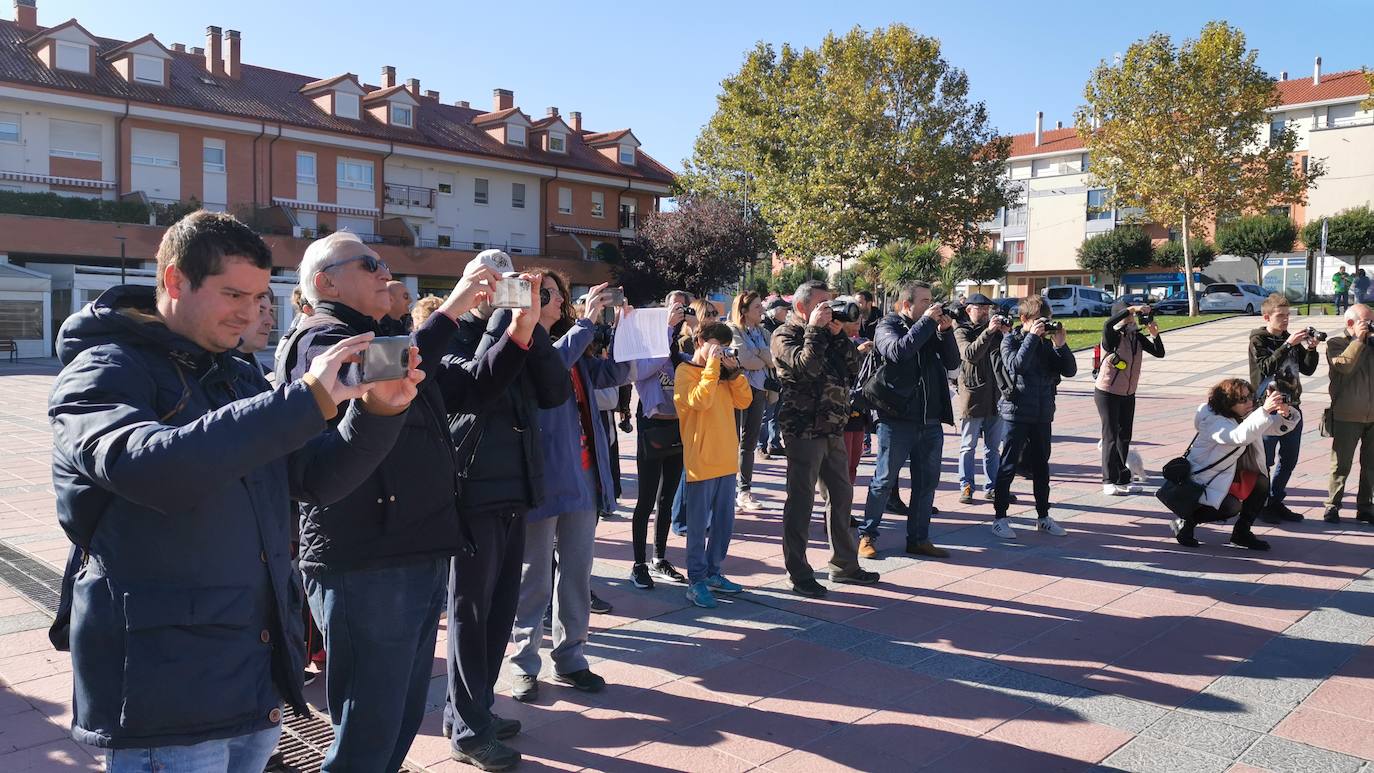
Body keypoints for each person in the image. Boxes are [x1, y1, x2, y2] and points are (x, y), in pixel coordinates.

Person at [49, 211, 421, 770]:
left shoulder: (237, 373)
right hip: (164, 690)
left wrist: (379, 414)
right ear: (175, 282)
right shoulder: (103, 370)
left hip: (251, 674)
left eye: (257, 296)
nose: (249, 313)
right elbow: (154, 470)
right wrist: (303, 401)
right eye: (232, 295)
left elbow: (315, 478)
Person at [277, 236, 538, 772]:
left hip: (412, 545)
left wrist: (520, 331)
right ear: (324, 283)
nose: (385, 273)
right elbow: (371, 372)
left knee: (396, 720)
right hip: (365, 557)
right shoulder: (317, 336)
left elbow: (472, 389)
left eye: (385, 264)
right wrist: (453, 308)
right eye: (369, 265)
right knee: (368, 728)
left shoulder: (389, 336)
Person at [507, 276, 640, 707]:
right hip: (544, 478)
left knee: (578, 573)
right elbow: (550, 367)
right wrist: (585, 325)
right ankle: (523, 665)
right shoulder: (521, 344)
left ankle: (571, 657)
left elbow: (618, 372)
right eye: (549, 291)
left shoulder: (573, 342)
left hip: (584, 475)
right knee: (534, 576)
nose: (560, 298)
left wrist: (629, 329)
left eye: (561, 293)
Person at [771, 280, 879, 597]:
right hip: (803, 429)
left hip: (833, 426)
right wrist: (816, 332)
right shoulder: (785, 335)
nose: (828, 310)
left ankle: (844, 566)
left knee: (841, 497)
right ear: (803, 307)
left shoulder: (827, 333)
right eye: (822, 304)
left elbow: (853, 367)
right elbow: (807, 368)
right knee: (801, 502)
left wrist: (836, 335)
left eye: (829, 303)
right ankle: (799, 572)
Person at [857, 281, 957, 560]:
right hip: (896, 419)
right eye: (925, 301)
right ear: (906, 305)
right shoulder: (886, 326)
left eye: (931, 301)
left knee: (926, 483)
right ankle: (866, 535)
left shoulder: (929, 328)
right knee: (884, 480)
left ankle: (919, 538)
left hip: (930, 420)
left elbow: (952, 362)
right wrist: (926, 323)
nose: (931, 306)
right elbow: (899, 351)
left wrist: (946, 332)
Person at [675, 321, 753, 608]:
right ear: (700, 341)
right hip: (700, 463)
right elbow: (700, 401)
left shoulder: (722, 374)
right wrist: (711, 367)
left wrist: (733, 373)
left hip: (725, 461)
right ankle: (695, 580)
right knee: (697, 528)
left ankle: (713, 572)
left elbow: (744, 401)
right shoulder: (684, 372)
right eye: (714, 347)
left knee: (724, 525)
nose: (718, 354)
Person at [1170, 378, 1297, 549]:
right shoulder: (1213, 420)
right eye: (1242, 399)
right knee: (1231, 506)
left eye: (1250, 397)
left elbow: (1274, 427)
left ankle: (1241, 533)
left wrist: (1285, 413)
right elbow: (1237, 437)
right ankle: (1186, 521)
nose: (1249, 402)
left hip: (1225, 476)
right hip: (1201, 482)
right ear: (1227, 401)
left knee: (1261, 482)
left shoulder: (1243, 415)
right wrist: (1265, 411)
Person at [990, 295, 1076, 539]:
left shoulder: (1046, 345)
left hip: (1042, 414)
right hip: (1015, 414)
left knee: (1041, 468)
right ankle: (1000, 518)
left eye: (1047, 321)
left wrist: (1060, 345)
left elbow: (1069, 370)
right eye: (1039, 321)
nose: (1043, 326)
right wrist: (1030, 337)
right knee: (1007, 466)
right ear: (1024, 319)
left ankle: (1043, 516)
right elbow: (1017, 366)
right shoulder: (1010, 340)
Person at [627, 290, 692, 591]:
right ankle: (638, 564)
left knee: (666, 500)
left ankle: (660, 558)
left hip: (677, 427)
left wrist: (699, 330)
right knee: (646, 499)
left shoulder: (681, 351)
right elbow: (642, 371)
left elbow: (697, 366)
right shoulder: (646, 350)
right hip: (652, 426)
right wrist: (666, 330)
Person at [1248, 293, 1320, 523]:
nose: (1286, 320)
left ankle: (1275, 500)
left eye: (1288, 315)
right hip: (1267, 408)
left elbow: (1307, 370)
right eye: (1281, 316)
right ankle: (1261, 505)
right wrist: (1288, 345)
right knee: (1265, 462)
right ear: (1267, 316)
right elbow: (1265, 367)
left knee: (1289, 460)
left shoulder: (1291, 339)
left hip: (1293, 409)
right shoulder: (1258, 340)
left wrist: (1310, 349)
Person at [1096, 300, 1166, 495]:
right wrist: (1130, 310)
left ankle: (1121, 480)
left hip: (1128, 393)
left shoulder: (1135, 337)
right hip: (1107, 392)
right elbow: (1107, 324)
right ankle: (1108, 481)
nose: (1133, 320)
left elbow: (1159, 353)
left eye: (1133, 317)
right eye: (1129, 317)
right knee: (1110, 436)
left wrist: (1155, 335)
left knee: (1124, 437)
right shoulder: (1112, 336)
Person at [953, 293, 1009, 505]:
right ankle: (966, 485)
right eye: (980, 308)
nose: (985, 312)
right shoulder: (961, 331)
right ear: (968, 310)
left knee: (993, 448)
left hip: (996, 397)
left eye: (987, 308)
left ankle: (993, 486)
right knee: (968, 446)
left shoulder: (995, 332)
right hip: (973, 396)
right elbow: (970, 354)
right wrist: (989, 332)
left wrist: (1006, 334)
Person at [1323, 304, 1374, 523]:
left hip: (1372, 416)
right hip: (1347, 414)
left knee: (1371, 465)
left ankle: (1365, 507)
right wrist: (1359, 341)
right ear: (1351, 323)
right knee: (1341, 464)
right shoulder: (1336, 343)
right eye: (1367, 321)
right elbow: (1343, 366)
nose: (1371, 326)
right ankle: (1332, 506)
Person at [729, 291, 773, 511]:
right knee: (731, 441)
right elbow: (744, 359)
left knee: (749, 443)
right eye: (757, 307)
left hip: (760, 391)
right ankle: (728, 492)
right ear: (744, 311)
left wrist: (756, 353)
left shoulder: (764, 332)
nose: (761, 310)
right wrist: (759, 356)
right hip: (738, 390)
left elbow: (773, 359)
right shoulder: (732, 330)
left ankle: (744, 491)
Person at [843, 316, 875, 484]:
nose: (858, 323)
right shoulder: (834, 343)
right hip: (842, 411)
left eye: (859, 319)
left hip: (859, 410)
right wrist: (858, 351)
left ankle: (847, 500)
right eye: (853, 319)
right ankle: (837, 505)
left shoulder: (862, 341)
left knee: (854, 461)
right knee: (843, 462)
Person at [759, 297, 790, 459]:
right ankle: (761, 445)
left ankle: (774, 442)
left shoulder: (782, 327)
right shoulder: (765, 327)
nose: (787, 312)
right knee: (766, 412)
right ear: (775, 310)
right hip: (768, 375)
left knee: (778, 411)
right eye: (784, 309)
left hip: (780, 375)